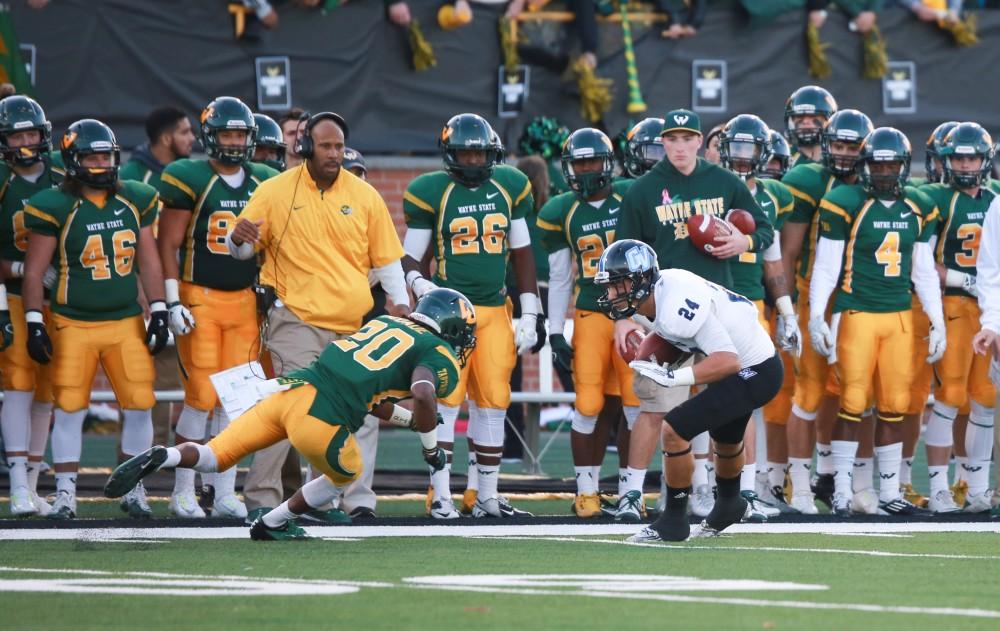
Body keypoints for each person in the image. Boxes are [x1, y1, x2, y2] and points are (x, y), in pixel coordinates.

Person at [104, 288, 474, 539]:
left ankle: (164, 455)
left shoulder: (383, 323)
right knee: (346, 473)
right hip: (320, 416)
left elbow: (372, 397)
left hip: (290, 391)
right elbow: (424, 393)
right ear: (453, 328)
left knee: (215, 456)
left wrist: (410, 421)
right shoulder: (437, 352)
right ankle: (273, 522)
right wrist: (430, 446)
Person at [227, 111, 410, 522]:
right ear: (306, 147)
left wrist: (400, 305)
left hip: (351, 323)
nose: (334, 154)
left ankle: (349, 499)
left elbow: (387, 260)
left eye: (339, 147)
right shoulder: (275, 191)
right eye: (325, 146)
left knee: (360, 408)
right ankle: (262, 498)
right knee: (296, 404)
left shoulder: (365, 195)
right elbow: (242, 248)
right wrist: (234, 239)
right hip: (295, 318)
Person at [612, 108, 773, 521]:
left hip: (716, 307)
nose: (680, 147)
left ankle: (739, 491)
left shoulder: (724, 181)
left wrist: (743, 241)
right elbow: (620, 259)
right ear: (661, 142)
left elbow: (765, 229)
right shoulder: (643, 190)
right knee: (657, 402)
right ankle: (632, 493)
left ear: (701, 141)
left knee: (730, 405)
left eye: (688, 139)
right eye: (672, 139)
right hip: (665, 313)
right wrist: (624, 317)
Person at [22, 119, 169, 520]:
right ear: (72, 161)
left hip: (124, 320)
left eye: (106, 156)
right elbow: (34, 271)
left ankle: (133, 487)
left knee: (139, 404)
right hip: (72, 321)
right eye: (92, 157)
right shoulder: (55, 204)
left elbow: (149, 259)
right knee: (69, 407)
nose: (102, 164)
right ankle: (65, 494)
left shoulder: (136, 198)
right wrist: (35, 320)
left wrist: (158, 308)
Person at [595, 239, 783, 541]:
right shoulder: (655, 300)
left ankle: (673, 520)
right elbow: (687, 342)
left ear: (642, 279)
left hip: (756, 369)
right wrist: (654, 355)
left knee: (674, 428)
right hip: (747, 363)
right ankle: (730, 504)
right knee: (725, 438)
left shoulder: (674, 305)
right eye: (609, 286)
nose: (611, 293)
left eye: (618, 284)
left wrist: (674, 377)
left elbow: (728, 361)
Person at [403, 112, 540, 519]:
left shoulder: (510, 186)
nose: (474, 161)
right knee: (446, 401)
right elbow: (409, 257)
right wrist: (420, 286)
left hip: (496, 310)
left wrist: (530, 312)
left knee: (494, 402)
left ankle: (486, 496)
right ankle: (441, 494)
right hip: (449, 314)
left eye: (480, 154)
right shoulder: (432, 191)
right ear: (450, 153)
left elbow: (522, 255)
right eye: (465, 153)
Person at [156, 96, 279, 519]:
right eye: (227, 133)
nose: (233, 142)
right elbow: (168, 243)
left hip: (245, 303)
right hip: (200, 298)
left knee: (238, 402)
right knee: (201, 398)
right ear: (211, 137)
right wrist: (171, 299)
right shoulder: (189, 177)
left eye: (240, 134)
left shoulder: (263, 179)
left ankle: (223, 488)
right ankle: (183, 490)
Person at [810, 127, 943, 516]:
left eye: (892, 165)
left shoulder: (918, 206)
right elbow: (826, 267)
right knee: (851, 402)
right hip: (856, 314)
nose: (884, 172)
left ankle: (889, 494)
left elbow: (924, 272)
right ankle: (839, 490)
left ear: (904, 167)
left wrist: (937, 320)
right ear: (865, 166)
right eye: (878, 164)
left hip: (900, 316)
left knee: (895, 405)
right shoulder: (845, 202)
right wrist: (818, 316)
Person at [536, 128, 638, 518]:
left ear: (608, 163)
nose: (587, 169)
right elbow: (561, 277)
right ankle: (586, 491)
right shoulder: (562, 211)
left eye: (593, 161)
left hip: (633, 313)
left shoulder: (629, 196)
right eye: (580, 163)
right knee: (589, 402)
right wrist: (556, 330)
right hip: (593, 311)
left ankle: (631, 491)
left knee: (635, 404)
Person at [779, 107, 872, 513]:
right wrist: (786, 309)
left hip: (859, 303)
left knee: (856, 393)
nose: (846, 153)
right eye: (839, 144)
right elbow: (789, 252)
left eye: (855, 146)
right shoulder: (806, 180)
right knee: (809, 391)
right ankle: (799, 484)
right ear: (826, 144)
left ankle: (849, 481)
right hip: (812, 297)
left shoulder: (879, 187)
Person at [717, 114, 800, 517]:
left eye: (751, 149)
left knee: (749, 399)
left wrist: (786, 310)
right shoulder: (709, 189)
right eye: (737, 148)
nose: (744, 157)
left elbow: (773, 259)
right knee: (707, 395)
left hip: (752, 304)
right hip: (712, 301)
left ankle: (747, 490)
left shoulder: (774, 196)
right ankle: (698, 484)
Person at [919, 122, 996, 513]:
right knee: (949, 395)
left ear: (985, 160)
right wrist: (971, 279)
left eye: (972, 157)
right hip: (952, 305)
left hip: (987, 310)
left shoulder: (996, 197)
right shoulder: (936, 198)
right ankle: (938, 488)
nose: (966, 164)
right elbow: (924, 263)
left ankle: (977, 486)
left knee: (985, 398)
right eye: (959, 157)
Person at [0, 94, 62, 517]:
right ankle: (18, 484)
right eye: (16, 134)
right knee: (18, 387)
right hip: (13, 296)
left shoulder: (63, 176)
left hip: (62, 301)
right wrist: (26, 268)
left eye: (30, 133)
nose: (24, 142)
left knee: (48, 392)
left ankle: (35, 486)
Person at [120, 106, 195, 187]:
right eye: (185, 132)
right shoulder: (129, 176)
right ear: (166, 139)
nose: (192, 138)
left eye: (191, 131)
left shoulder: (190, 172)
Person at [783, 85, 837, 167]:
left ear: (828, 120)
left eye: (813, 116)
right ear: (791, 120)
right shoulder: (783, 158)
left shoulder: (838, 160)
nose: (805, 122)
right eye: (799, 116)